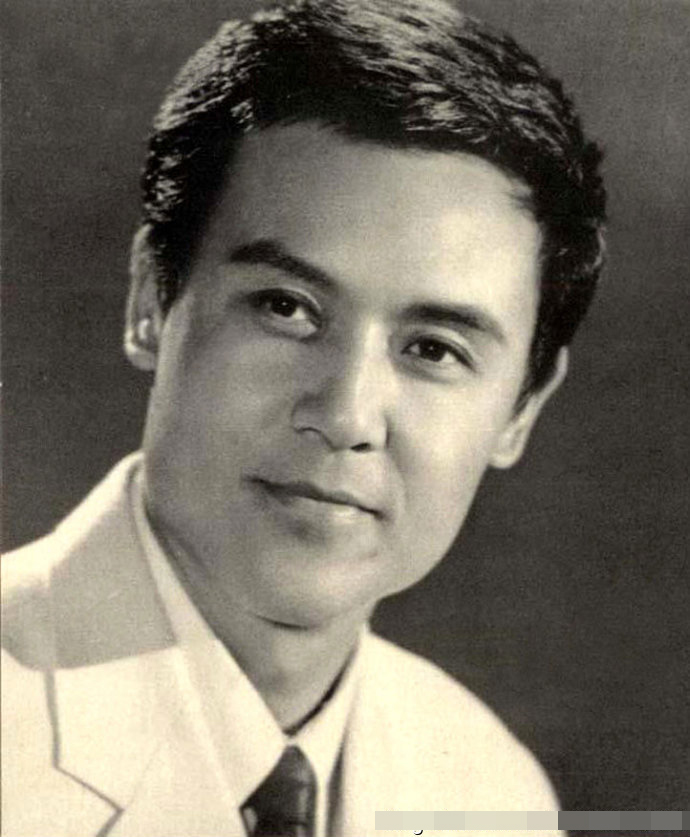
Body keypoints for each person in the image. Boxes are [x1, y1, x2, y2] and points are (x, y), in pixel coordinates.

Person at [1, 0, 606, 835]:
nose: (347, 414)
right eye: (286, 307)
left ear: (521, 409)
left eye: (433, 349)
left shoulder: (492, 793)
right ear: (151, 299)